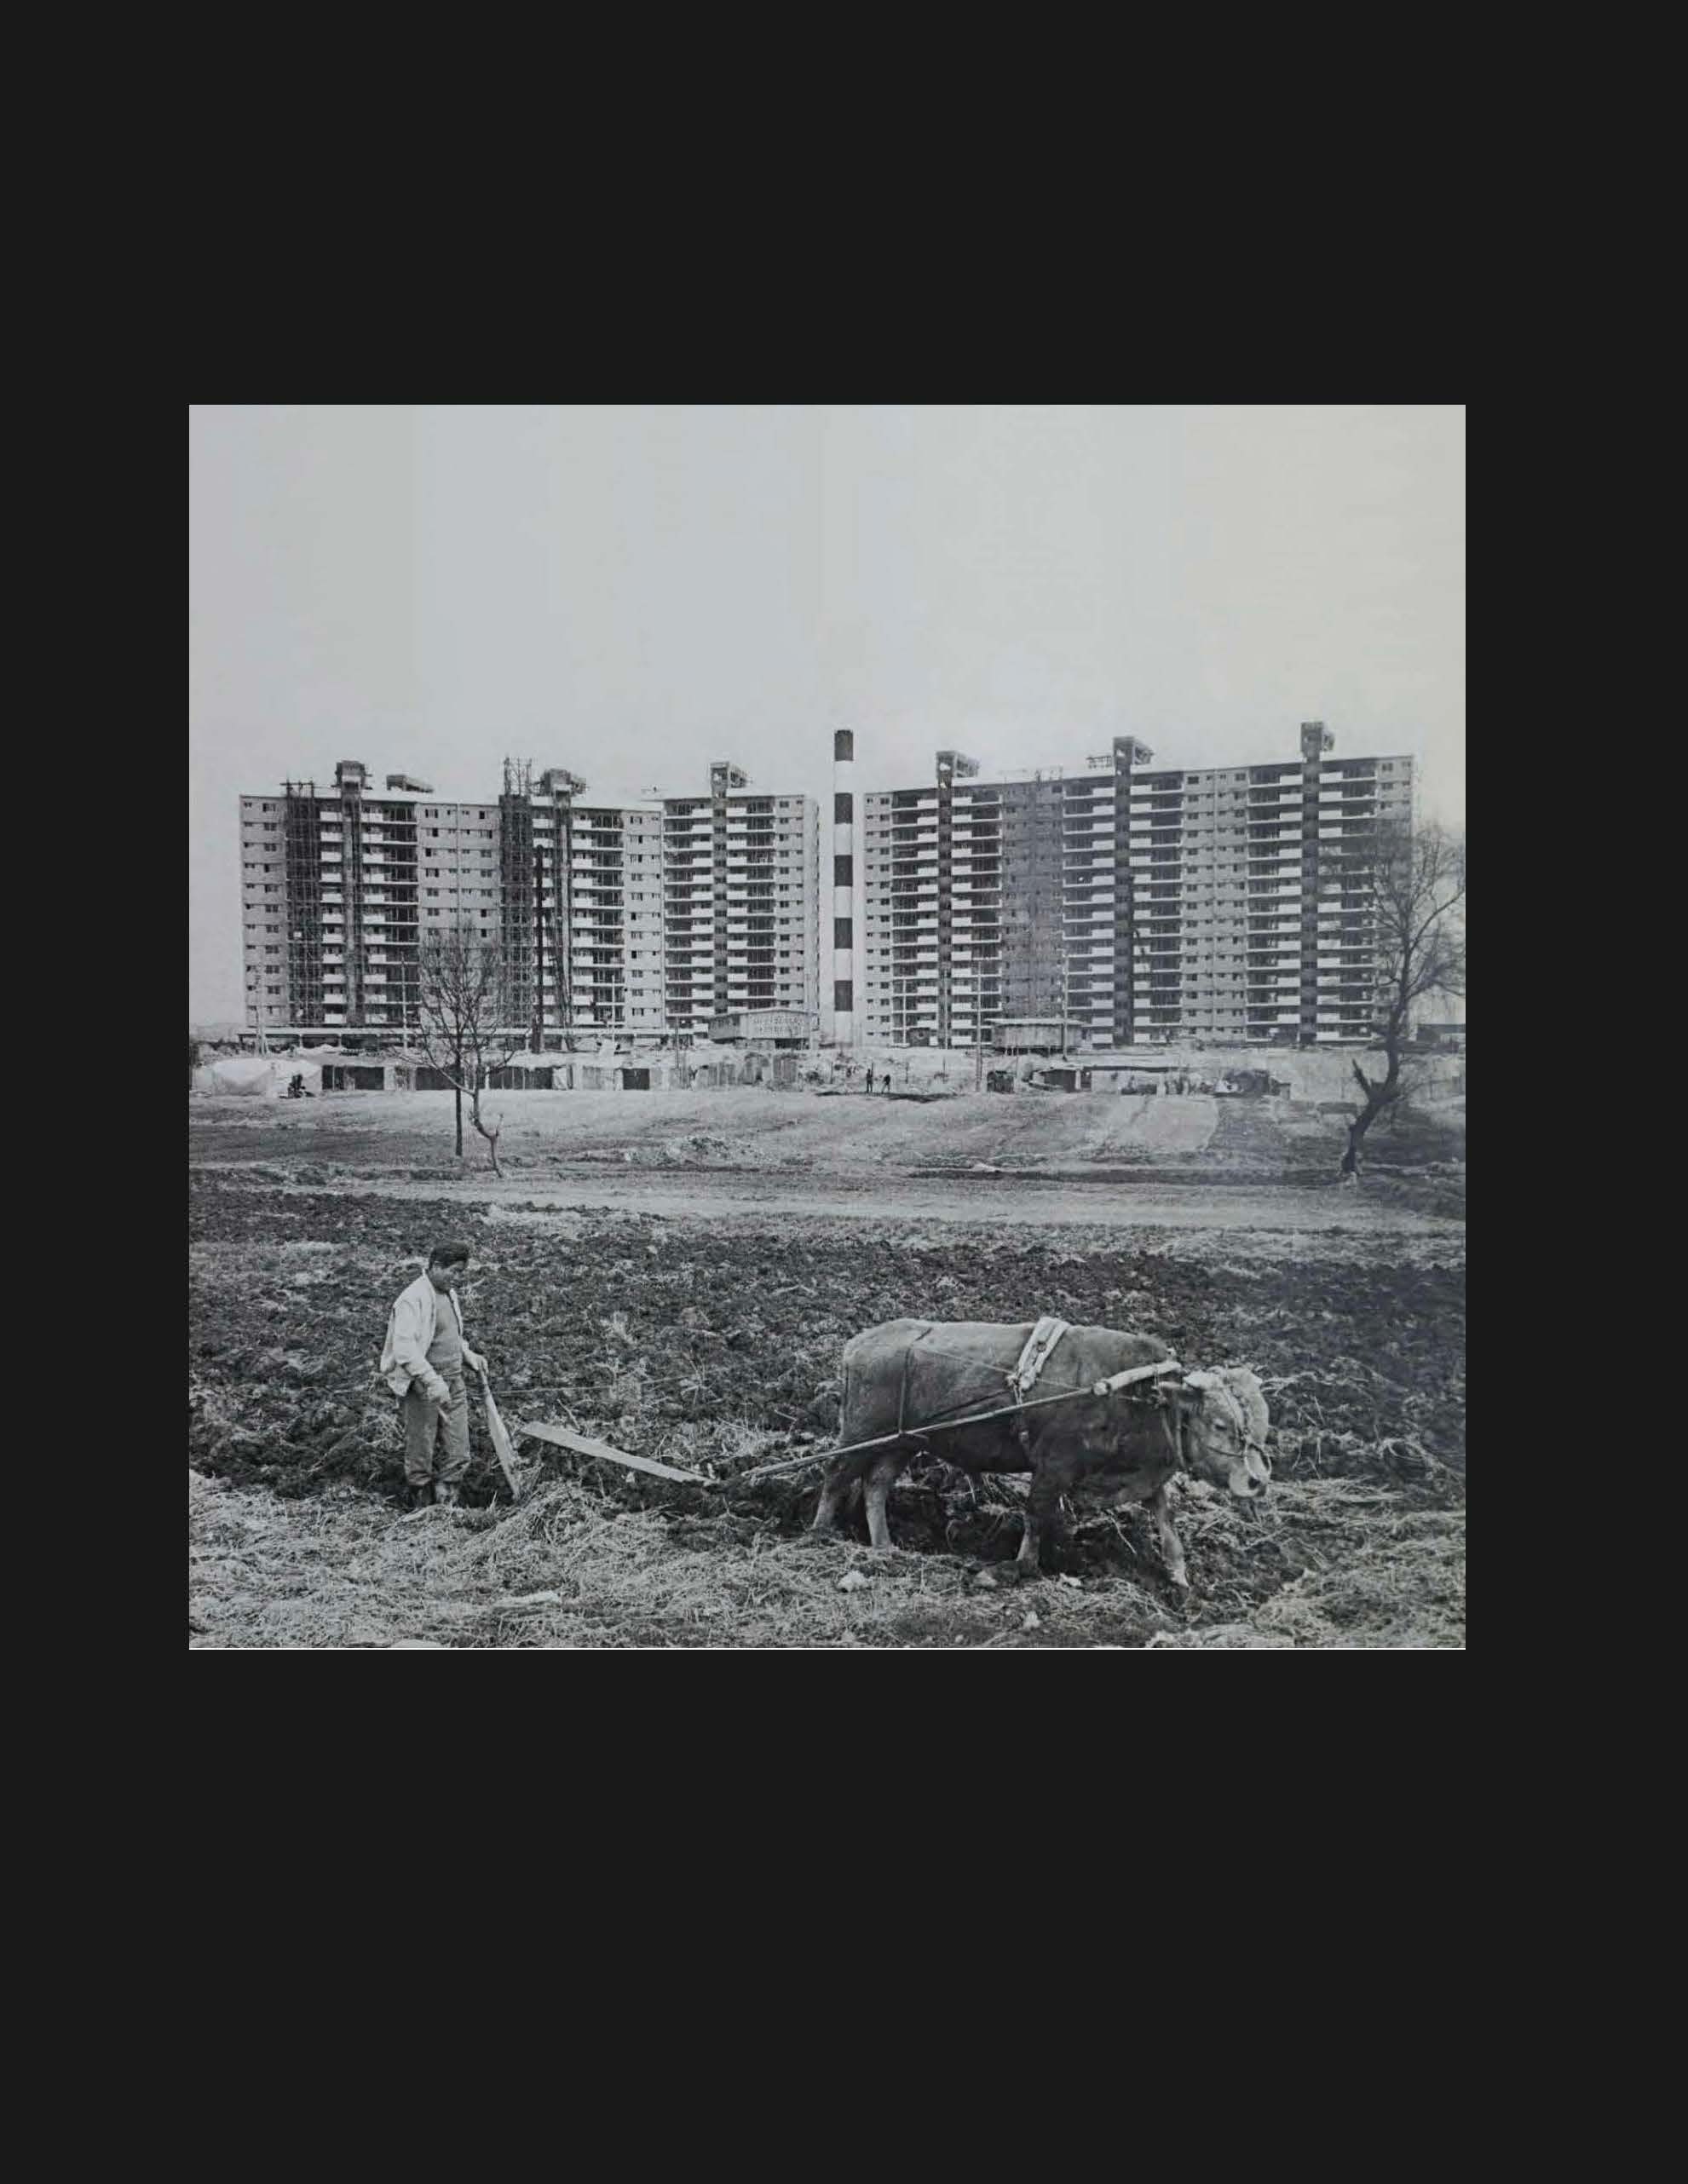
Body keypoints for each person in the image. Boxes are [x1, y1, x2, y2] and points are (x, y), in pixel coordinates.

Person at [381, 1243, 489, 1509]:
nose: (460, 1278)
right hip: (423, 1385)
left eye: (463, 1272)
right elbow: (405, 1349)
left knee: (459, 1448)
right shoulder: (412, 1299)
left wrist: (467, 1354)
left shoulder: (449, 1294)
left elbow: (449, 1333)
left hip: (454, 1381)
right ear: (436, 1266)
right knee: (421, 1447)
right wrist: (431, 1381)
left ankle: (448, 1501)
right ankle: (420, 1503)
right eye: (455, 1271)